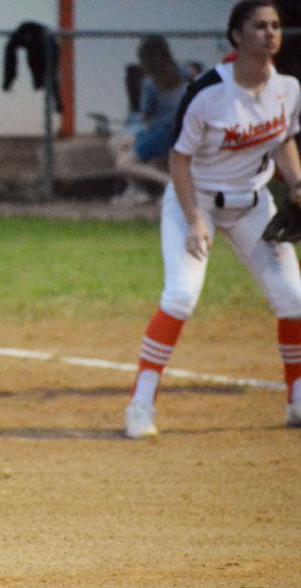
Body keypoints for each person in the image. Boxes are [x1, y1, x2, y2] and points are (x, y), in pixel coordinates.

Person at [124, 0, 301, 439]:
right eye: (259, 26)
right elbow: (179, 159)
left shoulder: (288, 88)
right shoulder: (207, 92)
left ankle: (297, 398)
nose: (270, 33)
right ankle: (140, 404)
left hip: (253, 204)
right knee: (180, 295)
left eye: (275, 26)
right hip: (197, 198)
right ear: (237, 35)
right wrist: (194, 220)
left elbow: (283, 141)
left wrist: (298, 183)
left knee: (294, 300)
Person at [109, 35, 192, 206]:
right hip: (181, 129)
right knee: (116, 143)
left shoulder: (150, 83)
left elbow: (145, 116)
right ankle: (135, 190)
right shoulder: (184, 72)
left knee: (123, 163)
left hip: (162, 133)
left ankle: (171, 184)